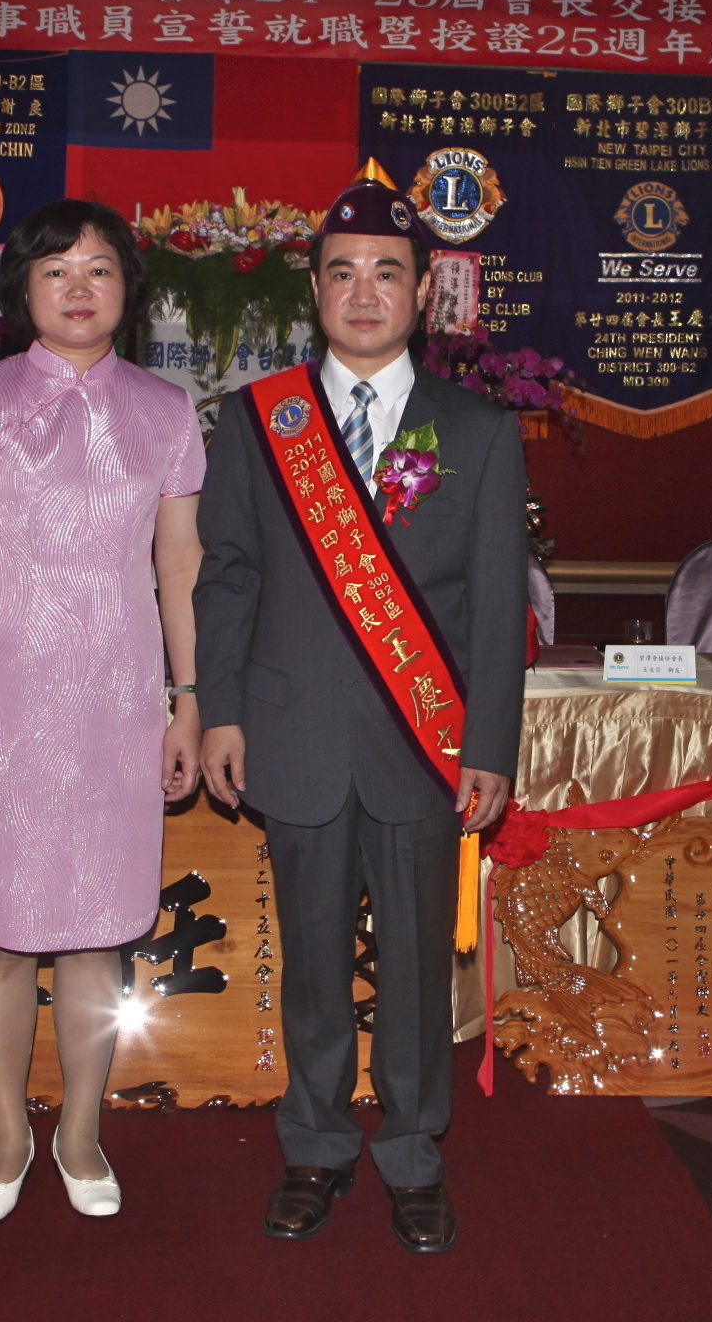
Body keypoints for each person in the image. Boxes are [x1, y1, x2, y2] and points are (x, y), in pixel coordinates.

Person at [193, 173, 524, 1255]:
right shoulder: (261, 421)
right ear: (316, 291)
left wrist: (489, 746)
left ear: (424, 291)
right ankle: (317, 1145)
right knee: (314, 965)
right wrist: (221, 710)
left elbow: (494, 607)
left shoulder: (478, 431)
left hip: (424, 748)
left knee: (420, 970)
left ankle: (414, 1154)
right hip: (291, 735)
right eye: (343, 273)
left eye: (388, 272)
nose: (365, 292)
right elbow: (227, 576)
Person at [0, 199, 206, 1224]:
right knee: (0, 937)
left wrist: (187, 703)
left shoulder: (167, 411)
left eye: (99, 270)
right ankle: (6, 1132)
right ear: (21, 290)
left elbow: (180, 569)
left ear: (129, 288)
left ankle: (80, 1130)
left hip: (117, 706)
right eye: (56, 271)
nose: (79, 289)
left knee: (94, 934)